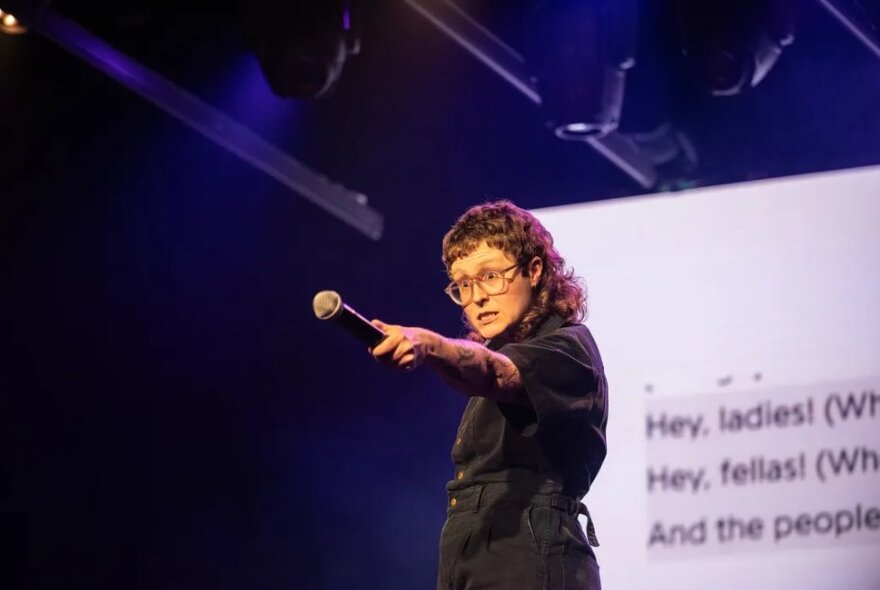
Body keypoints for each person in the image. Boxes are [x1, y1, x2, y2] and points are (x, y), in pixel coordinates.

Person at [371, 200, 608, 589]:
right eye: (463, 284)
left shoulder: (568, 347)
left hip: (528, 550)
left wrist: (428, 344)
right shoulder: (502, 355)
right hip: (476, 548)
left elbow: (495, 373)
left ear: (534, 271)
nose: (476, 296)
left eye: (491, 275)